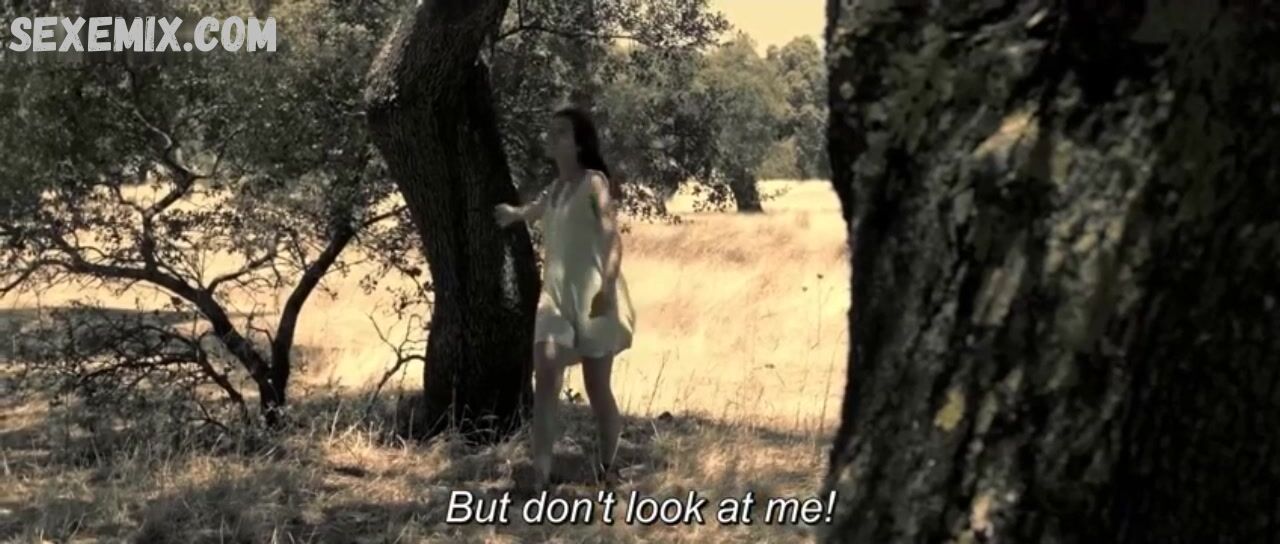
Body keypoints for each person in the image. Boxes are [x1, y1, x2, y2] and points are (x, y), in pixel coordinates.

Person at [493, 107, 637, 490]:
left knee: (597, 388)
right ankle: (539, 474)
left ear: (579, 143)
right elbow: (533, 211)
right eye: (551, 131)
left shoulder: (593, 183)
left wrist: (608, 287)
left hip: (594, 295)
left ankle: (607, 468)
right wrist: (510, 214)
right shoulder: (554, 189)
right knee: (545, 371)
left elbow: (611, 236)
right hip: (554, 296)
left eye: (561, 132)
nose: (552, 137)